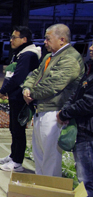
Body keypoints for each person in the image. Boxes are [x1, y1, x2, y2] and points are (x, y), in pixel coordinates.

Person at [22, 23, 84, 176]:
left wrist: (32, 94)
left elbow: (53, 85)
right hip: (42, 109)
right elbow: (34, 74)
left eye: (48, 39)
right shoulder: (51, 57)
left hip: (55, 112)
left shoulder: (70, 59)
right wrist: (26, 88)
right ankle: (41, 188)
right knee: (39, 154)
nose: (45, 42)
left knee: (50, 158)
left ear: (62, 39)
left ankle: (49, 194)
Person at [57, 44, 93, 197]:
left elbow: (88, 103)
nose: (92, 48)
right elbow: (76, 94)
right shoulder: (89, 69)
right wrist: (67, 109)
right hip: (83, 127)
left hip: (89, 130)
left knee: (88, 175)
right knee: (83, 173)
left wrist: (66, 112)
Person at [0, 26, 41, 171]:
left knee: (18, 129)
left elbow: (18, 77)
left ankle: (17, 162)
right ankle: (13, 155)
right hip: (15, 96)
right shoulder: (20, 53)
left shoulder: (28, 55)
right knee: (13, 128)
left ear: (24, 39)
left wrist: (4, 90)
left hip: (22, 98)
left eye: (14, 37)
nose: (11, 40)